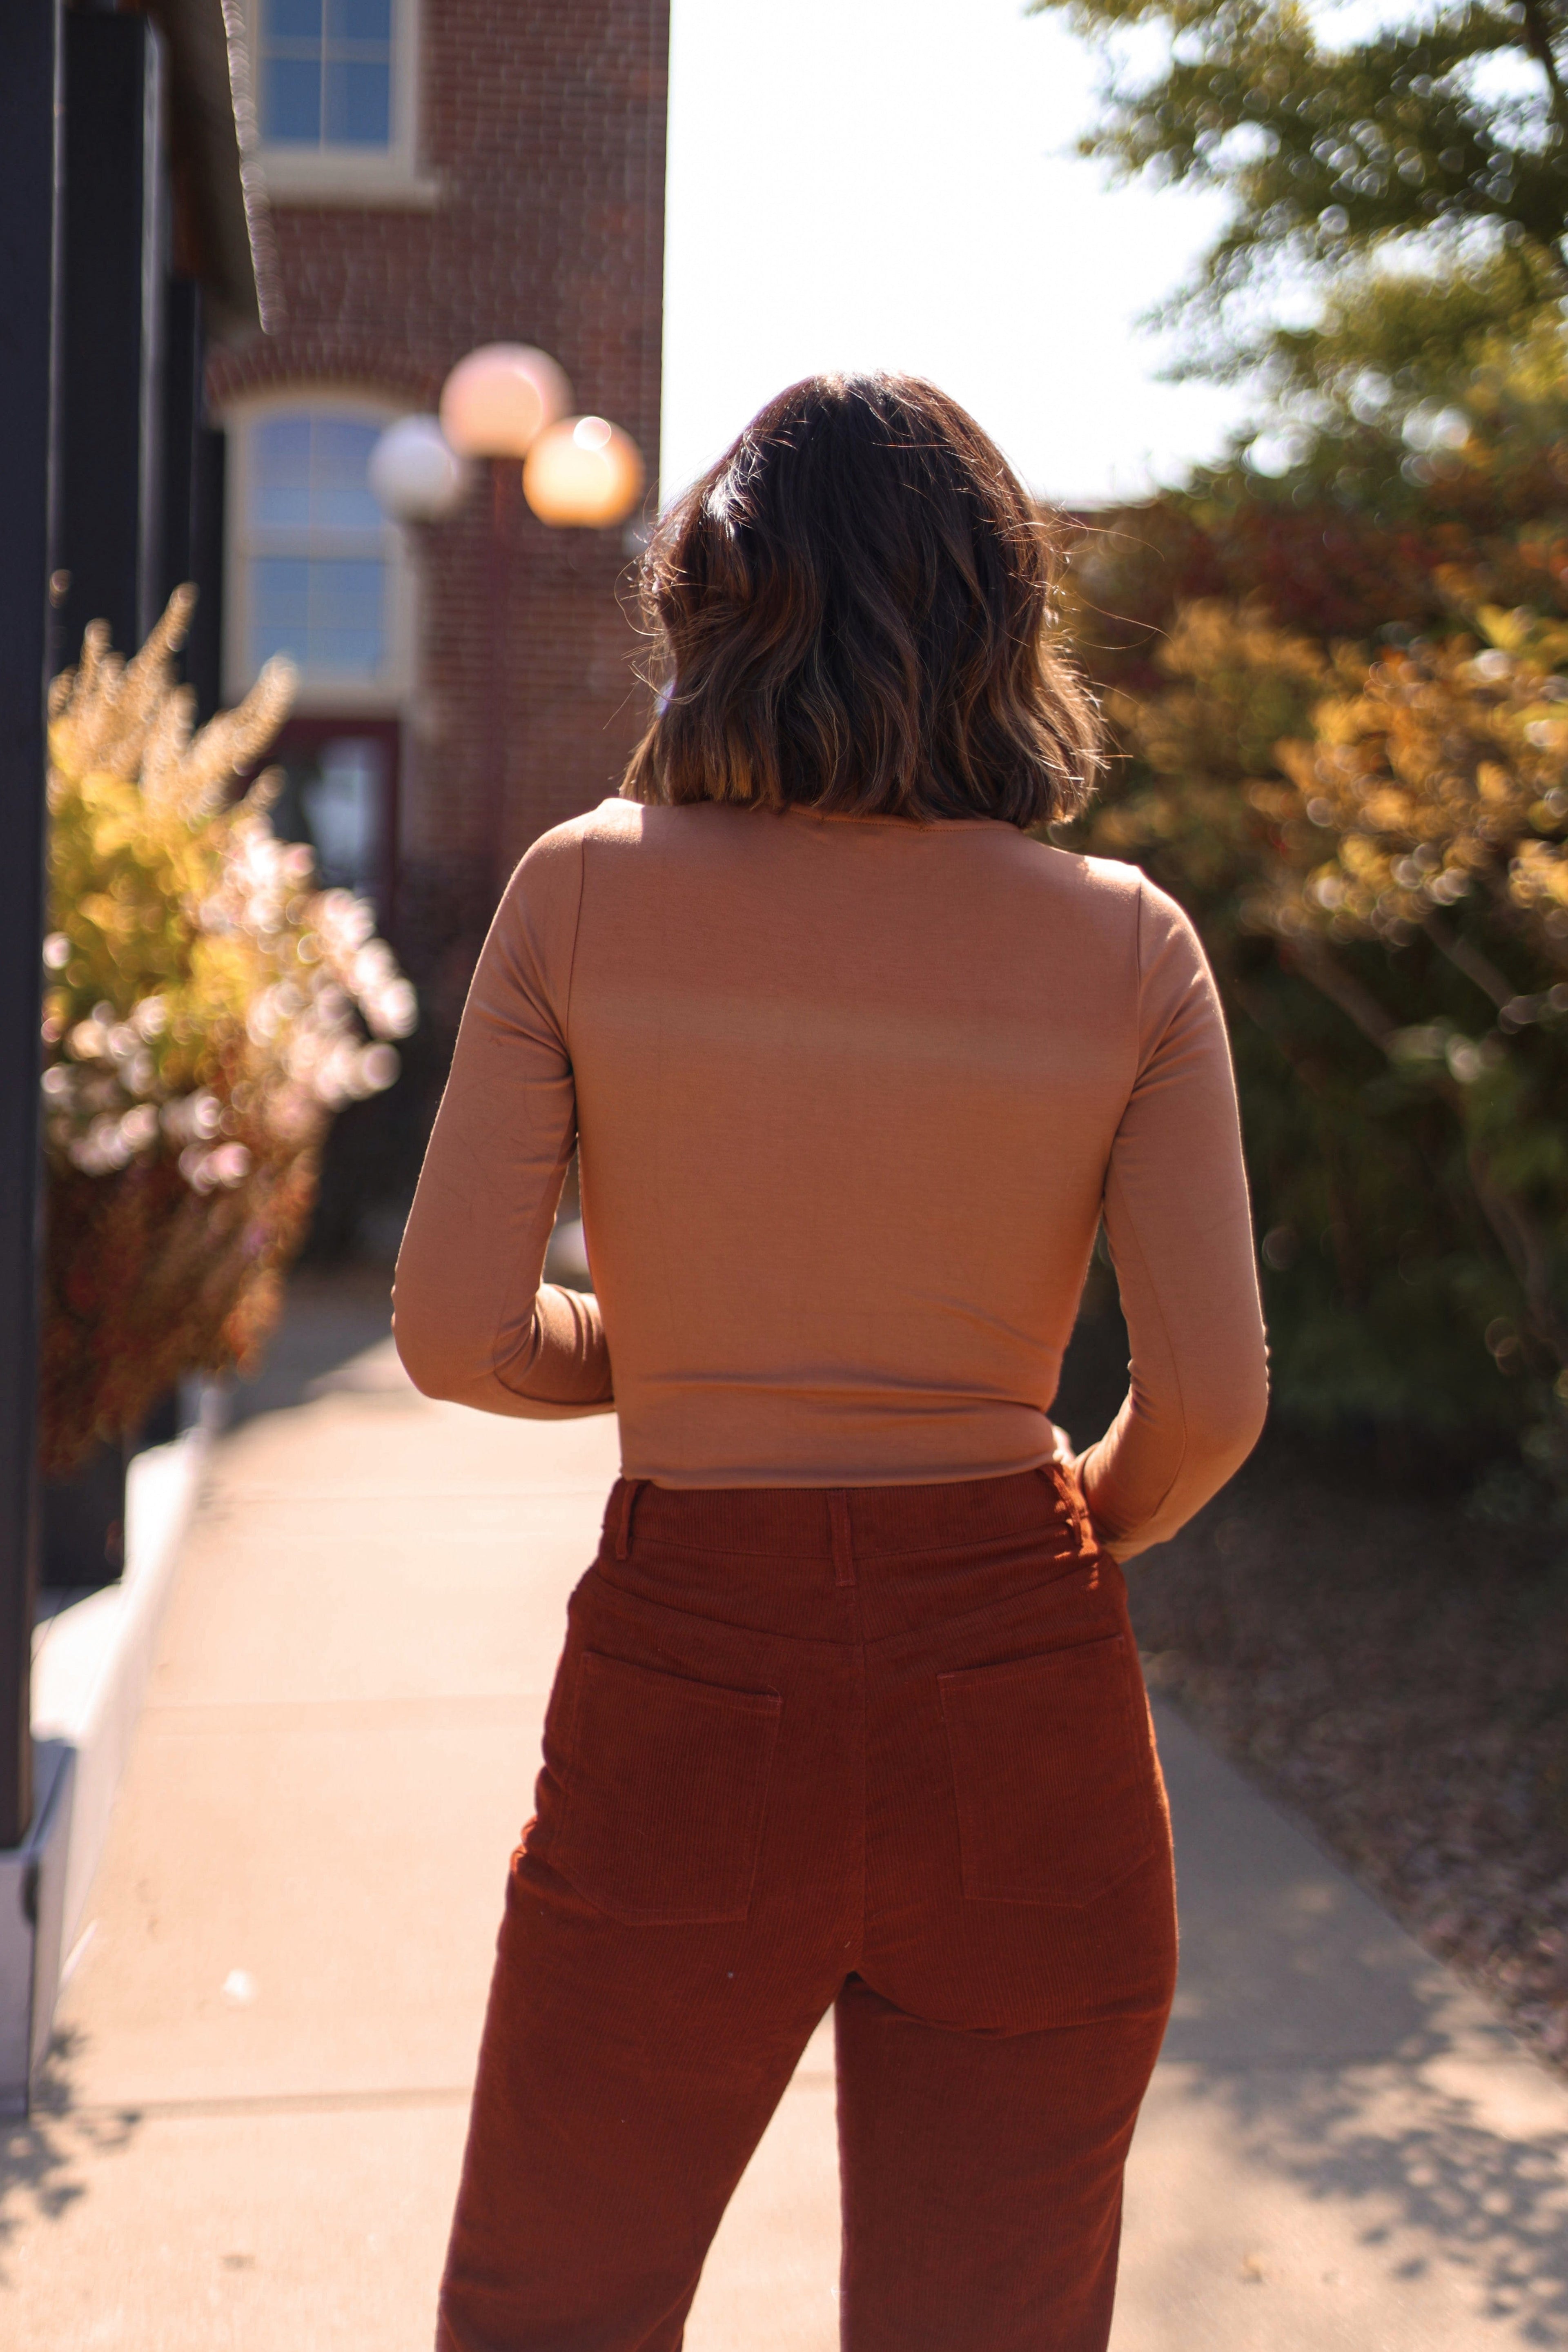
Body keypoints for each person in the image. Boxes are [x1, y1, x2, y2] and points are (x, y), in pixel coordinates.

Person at [393, 371, 1268, 2352]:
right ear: (1004, 619)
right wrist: (1041, 1544)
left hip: (693, 1683)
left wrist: (668, 1357)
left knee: (558, 2312)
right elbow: (1210, 1404)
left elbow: (455, 1332)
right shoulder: (1132, 945)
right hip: (1025, 1681)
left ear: (709, 607)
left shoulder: (582, 892)